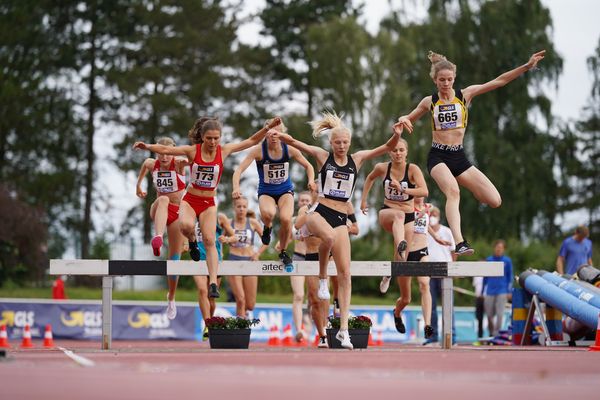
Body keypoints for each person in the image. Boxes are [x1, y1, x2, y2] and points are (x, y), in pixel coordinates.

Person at [270, 111, 403, 350]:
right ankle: (322, 278)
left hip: (341, 216)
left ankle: (343, 331)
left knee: (345, 274)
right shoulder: (323, 156)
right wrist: (280, 135)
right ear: (331, 143)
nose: (341, 146)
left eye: (344, 142)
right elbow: (298, 144)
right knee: (328, 237)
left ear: (349, 143)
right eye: (337, 142)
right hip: (319, 212)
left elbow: (385, 147)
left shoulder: (358, 159)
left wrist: (397, 134)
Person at [394, 50, 546, 255]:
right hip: (438, 156)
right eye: (441, 80)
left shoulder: (465, 95)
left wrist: (526, 67)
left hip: (459, 157)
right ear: (435, 80)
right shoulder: (429, 101)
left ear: (454, 79)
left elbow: (498, 81)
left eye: (449, 79)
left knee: (494, 200)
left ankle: (473, 192)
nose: (446, 84)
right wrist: (404, 118)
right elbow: (408, 119)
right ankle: (460, 242)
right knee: (453, 192)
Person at [132, 116, 282, 299]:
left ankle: (212, 283)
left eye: (216, 138)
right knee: (185, 226)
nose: (212, 142)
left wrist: (268, 128)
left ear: (220, 138)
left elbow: (251, 140)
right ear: (202, 137)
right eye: (209, 138)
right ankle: (192, 241)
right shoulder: (192, 151)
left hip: (209, 203)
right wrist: (147, 147)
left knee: (211, 240)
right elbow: (165, 149)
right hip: (190, 199)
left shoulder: (224, 150)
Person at [232, 119, 316, 267]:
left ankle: (282, 251)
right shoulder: (258, 150)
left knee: (285, 219)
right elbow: (238, 170)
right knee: (268, 214)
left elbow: (308, 165)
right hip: (266, 191)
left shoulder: (289, 148)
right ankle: (267, 226)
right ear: (266, 133)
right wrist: (236, 187)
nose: (274, 136)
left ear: (283, 133)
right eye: (271, 133)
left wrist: (311, 180)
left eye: (277, 133)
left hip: (285, 190)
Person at [360, 138, 428, 296]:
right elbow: (370, 178)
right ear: (389, 152)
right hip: (388, 212)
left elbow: (424, 191)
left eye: (401, 150)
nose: (398, 153)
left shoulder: (412, 170)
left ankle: (388, 275)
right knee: (398, 216)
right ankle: (401, 243)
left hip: (409, 215)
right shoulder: (382, 168)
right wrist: (363, 200)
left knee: (402, 260)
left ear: (406, 152)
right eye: (395, 150)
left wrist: (404, 190)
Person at [135, 136, 187, 319]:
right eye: (160, 153)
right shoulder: (151, 163)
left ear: (172, 151)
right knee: (163, 198)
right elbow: (144, 166)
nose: (164, 157)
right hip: (158, 209)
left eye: (167, 153)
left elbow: (193, 159)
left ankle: (171, 297)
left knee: (174, 260)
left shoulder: (179, 164)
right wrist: (139, 185)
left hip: (177, 214)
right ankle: (157, 236)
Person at [390, 197, 436, 338]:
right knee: (406, 299)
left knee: (424, 284)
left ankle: (427, 324)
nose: (419, 195)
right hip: (406, 254)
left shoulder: (429, 207)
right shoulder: (404, 209)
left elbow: (426, 225)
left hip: (422, 251)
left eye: (421, 190)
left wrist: (437, 237)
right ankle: (397, 313)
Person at [294, 188, 330, 348]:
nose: (317, 193)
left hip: (328, 257)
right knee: (313, 299)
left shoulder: (330, 206)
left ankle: (329, 329)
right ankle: (322, 334)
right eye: (315, 191)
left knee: (326, 299)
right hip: (310, 257)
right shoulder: (305, 209)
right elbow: (296, 225)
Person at [222, 196, 268, 317]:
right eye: (239, 206)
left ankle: (243, 317)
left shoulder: (252, 223)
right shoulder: (229, 223)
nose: (241, 209)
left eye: (244, 206)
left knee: (250, 305)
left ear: (247, 208)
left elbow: (266, 240)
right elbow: (219, 240)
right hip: (234, 261)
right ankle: (240, 330)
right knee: (240, 299)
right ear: (234, 208)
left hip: (250, 262)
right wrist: (221, 249)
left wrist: (257, 253)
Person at [194, 212, 235, 340]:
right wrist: (186, 244)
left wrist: (227, 239)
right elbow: (186, 233)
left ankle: (209, 323)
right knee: (202, 290)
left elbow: (235, 236)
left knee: (211, 298)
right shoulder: (191, 217)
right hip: (198, 261)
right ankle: (207, 324)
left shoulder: (220, 217)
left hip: (215, 262)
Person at [424, 205, 456, 345]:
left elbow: (453, 251)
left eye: (435, 214)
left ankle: (452, 337)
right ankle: (432, 337)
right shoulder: (424, 230)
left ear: (439, 216)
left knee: (448, 305)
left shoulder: (447, 231)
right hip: (429, 271)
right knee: (431, 307)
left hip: (445, 271)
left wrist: (453, 269)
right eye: (430, 214)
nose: (432, 216)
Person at [289, 191, 313, 342]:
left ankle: (310, 329)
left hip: (313, 259)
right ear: (298, 203)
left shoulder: (316, 218)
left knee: (313, 297)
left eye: (307, 201)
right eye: (301, 201)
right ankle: (298, 330)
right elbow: (284, 239)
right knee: (298, 295)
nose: (304, 203)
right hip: (297, 258)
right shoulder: (293, 220)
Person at [483, 239, 513, 337]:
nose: (499, 250)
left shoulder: (507, 261)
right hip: (490, 291)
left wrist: (509, 291)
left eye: (501, 248)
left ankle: (497, 334)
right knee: (489, 314)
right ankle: (491, 332)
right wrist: (483, 291)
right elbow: (485, 277)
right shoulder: (489, 260)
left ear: (503, 249)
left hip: (502, 290)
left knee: (500, 314)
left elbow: (510, 276)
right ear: (494, 248)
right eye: (497, 247)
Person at [472, 274, 484, 339]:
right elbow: (475, 287)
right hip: (478, 298)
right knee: (479, 318)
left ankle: (492, 336)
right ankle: (480, 337)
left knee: (490, 317)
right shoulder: (476, 274)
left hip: (486, 297)